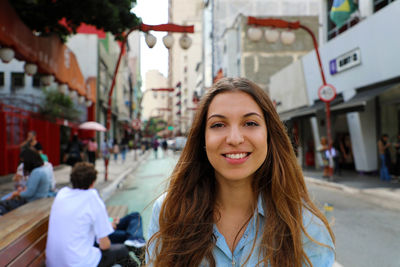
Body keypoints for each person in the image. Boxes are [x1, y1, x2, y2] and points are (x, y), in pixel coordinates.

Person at [146, 78, 335, 267]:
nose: (234, 139)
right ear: (202, 138)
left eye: (250, 123)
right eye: (218, 125)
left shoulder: (307, 226)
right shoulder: (169, 211)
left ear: (269, 136)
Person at [46, 162, 135, 267]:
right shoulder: (92, 197)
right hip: (79, 263)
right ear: (93, 182)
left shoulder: (62, 194)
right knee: (122, 251)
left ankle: (135, 242)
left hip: (53, 263)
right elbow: (105, 245)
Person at [0, 149, 50, 215]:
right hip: (38, 201)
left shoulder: (36, 172)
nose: (23, 164)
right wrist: (22, 190)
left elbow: (29, 193)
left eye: (23, 161)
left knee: (2, 205)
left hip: (32, 203)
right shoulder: (41, 170)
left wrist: (16, 194)